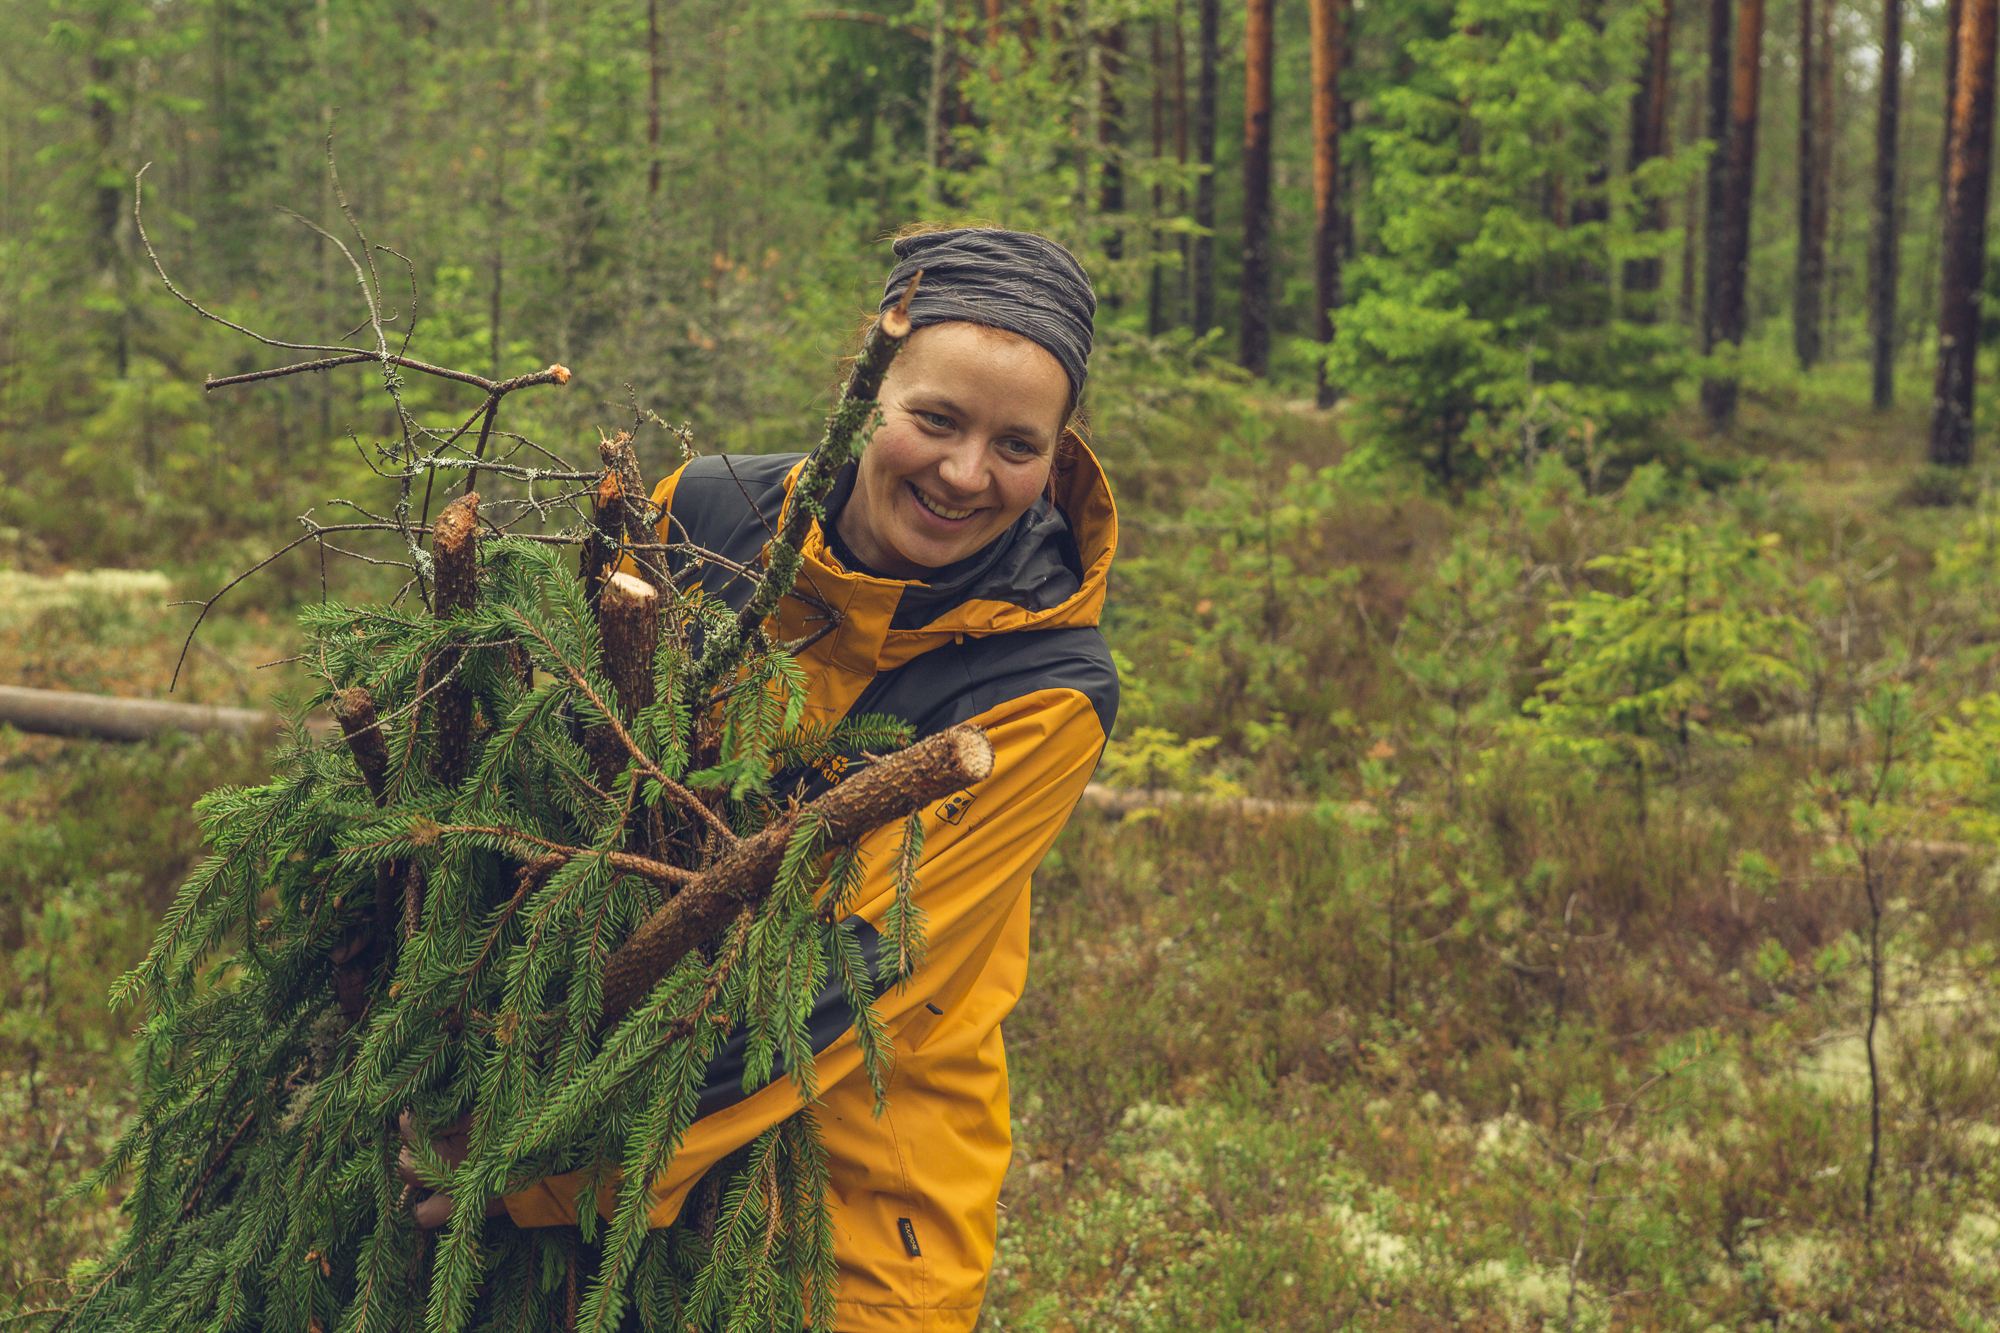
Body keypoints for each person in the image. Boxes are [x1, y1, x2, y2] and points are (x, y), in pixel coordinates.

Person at [491, 227, 1119, 1332]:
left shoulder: (1044, 688)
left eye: (1016, 445)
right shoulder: (708, 511)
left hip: (859, 1184)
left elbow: (846, 975)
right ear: (867, 385)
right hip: (597, 1070)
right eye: (935, 419)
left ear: (1060, 450)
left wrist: (536, 1160)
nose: (965, 473)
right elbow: (558, 769)